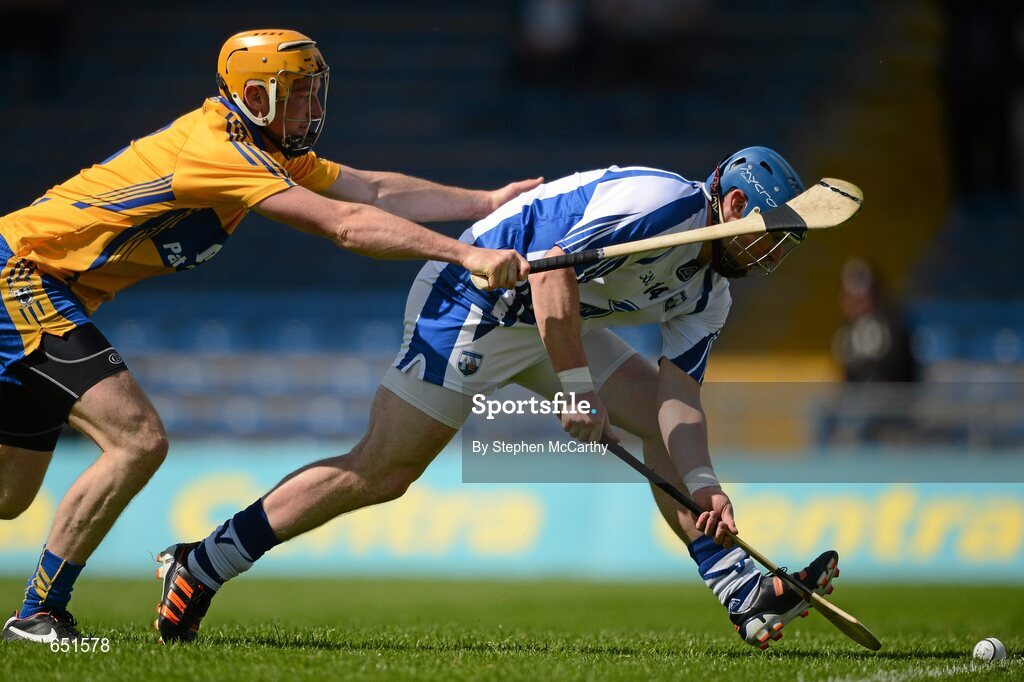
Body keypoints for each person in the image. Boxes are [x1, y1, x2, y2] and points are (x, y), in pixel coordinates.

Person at [156, 146, 840, 650]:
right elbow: (551, 279)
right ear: (737, 206)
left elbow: (678, 395)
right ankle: (204, 562)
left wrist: (703, 480)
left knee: (655, 426)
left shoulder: (710, 292)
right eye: (772, 237)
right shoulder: (658, 205)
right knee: (382, 471)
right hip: (476, 303)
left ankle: (741, 592)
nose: (773, 256)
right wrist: (576, 389)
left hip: (558, 323)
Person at [0, 29, 536, 644]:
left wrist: (487, 200)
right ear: (254, 96)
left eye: (314, 91)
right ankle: (39, 614)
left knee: (10, 497)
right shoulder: (219, 150)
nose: (312, 108)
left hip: (45, 288)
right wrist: (465, 254)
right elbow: (347, 224)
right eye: (298, 94)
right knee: (138, 440)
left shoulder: (264, 148)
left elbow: (372, 189)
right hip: (20, 275)